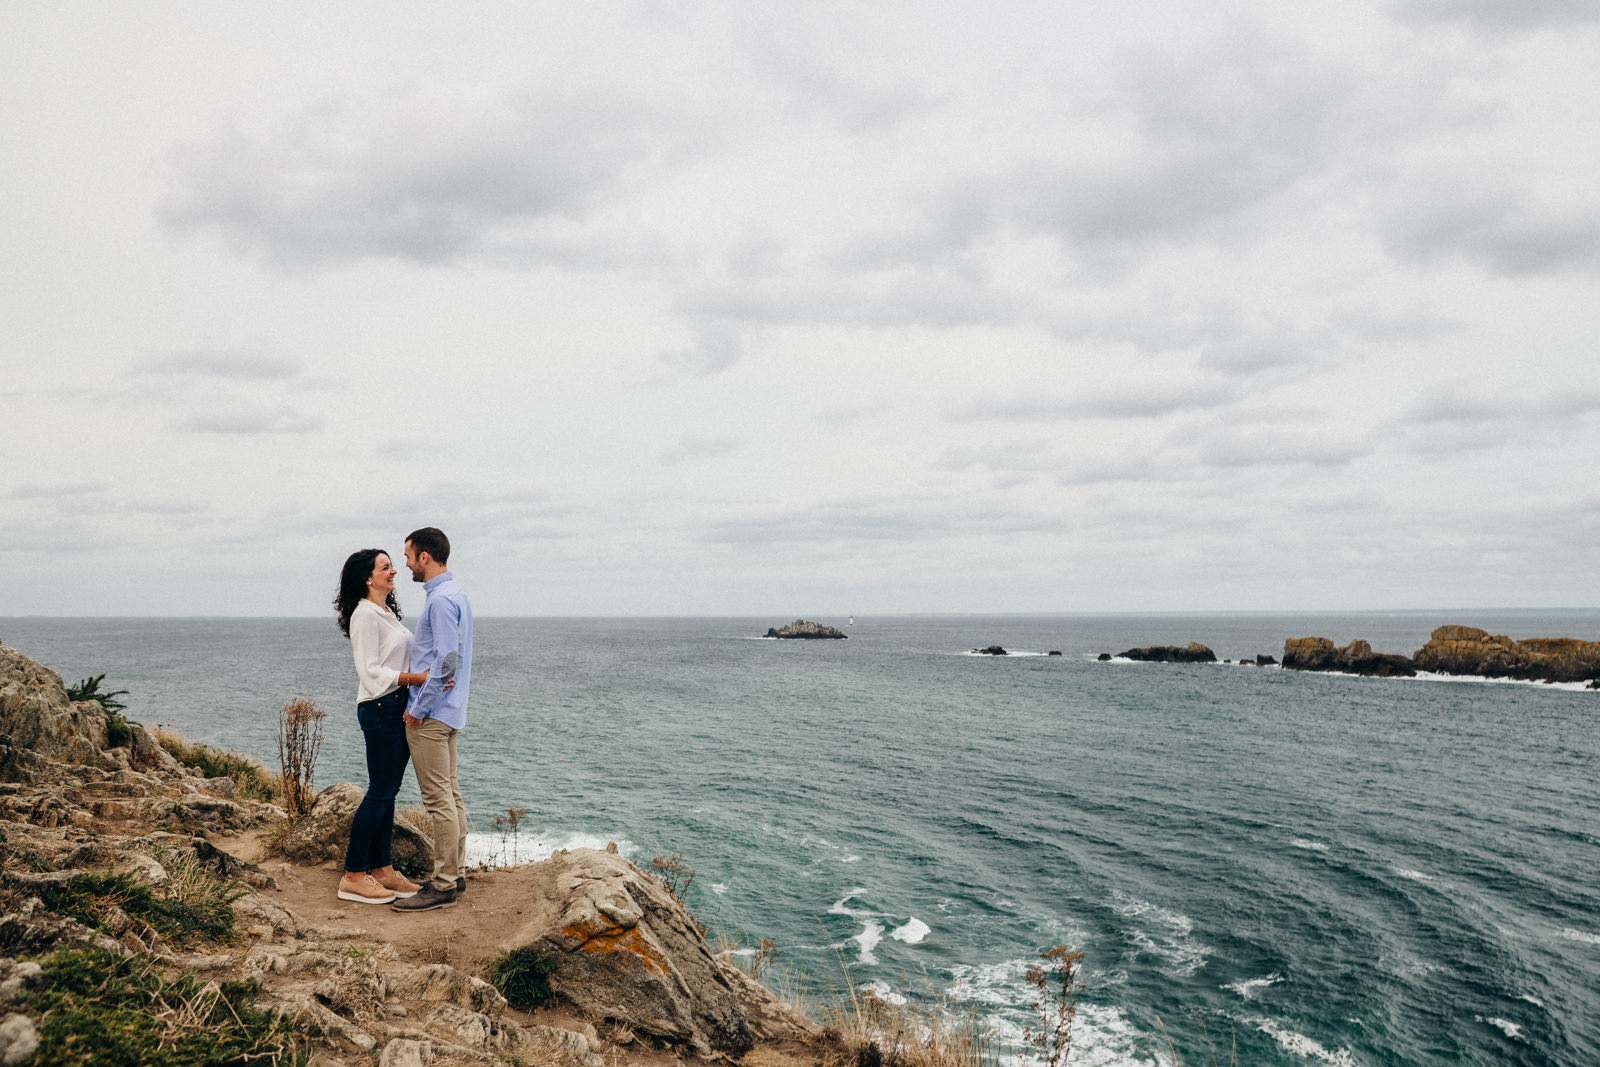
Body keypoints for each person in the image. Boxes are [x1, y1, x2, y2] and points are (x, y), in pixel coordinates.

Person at [333, 549, 428, 904]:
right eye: (385, 567)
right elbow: (370, 672)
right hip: (380, 706)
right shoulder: (365, 615)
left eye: (392, 566)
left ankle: (382, 870)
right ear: (367, 578)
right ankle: (353, 876)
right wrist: (415, 678)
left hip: (394, 704)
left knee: (388, 791)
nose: (393, 572)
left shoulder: (386, 613)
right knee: (379, 791)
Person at [393, 526, 474, 912]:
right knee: (451, 794)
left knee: (438, 799)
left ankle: (442, 883)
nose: (406, 563)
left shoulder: (440, 601)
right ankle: (455, 875)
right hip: (452, 711)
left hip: (433, 714)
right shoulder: (455, 595)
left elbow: (446, 661)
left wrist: (418, 708)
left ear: (425, 556)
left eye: (408, 556)